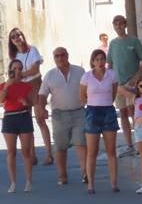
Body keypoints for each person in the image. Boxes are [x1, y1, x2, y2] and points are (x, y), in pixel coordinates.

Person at [37, 48, 87, 185]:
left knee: (81, 142)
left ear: (67, 56)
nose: (59, 58)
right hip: (59, 115)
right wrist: (41, 109)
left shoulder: (80, 71)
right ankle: (62, 174)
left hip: (79, 112)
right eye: (56, 56)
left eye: (62, 55)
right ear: (54, 58)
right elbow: (42, 94)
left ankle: (85, 173)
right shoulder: (50, 75)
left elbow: (87, 88)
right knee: (60, 146)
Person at [8, 28, 51, 165]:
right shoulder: (14, 56)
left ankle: (49, 154)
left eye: (18, 35)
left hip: (35, 85)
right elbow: (13, 75)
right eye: (13, 37)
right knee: (27, 122)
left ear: (22, 36)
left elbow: (35, 70)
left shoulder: (33, 50)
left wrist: (20, 74)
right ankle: (31, 156)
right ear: (11, 41)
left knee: (40, 119)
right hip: (21, 88)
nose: (16, 38)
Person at [107, 15, 142, 157]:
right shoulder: (112, 44)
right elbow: (110, 64)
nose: (118, 26)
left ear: (125, 25)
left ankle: (139, 143)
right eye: (116, 24)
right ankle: (129, 144)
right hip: (118, 85)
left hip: (132, 83)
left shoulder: (134, 41)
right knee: (123, 113)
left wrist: (137, 77)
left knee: (134, 113)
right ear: (113, 26)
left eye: (121, 23)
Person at [80, 49, 119, 194]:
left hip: (108, 111)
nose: (100, 62)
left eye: (102, 59)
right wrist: (91, 106)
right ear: (92, 62)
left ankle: (114, 183)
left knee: (111, 150)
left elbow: (114, 93)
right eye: (97, 59)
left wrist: (107, 103)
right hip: (92, 111)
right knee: (92, 151)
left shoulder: (112, 75)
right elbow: (82, 96)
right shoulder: (86, 77)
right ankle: (91, 184)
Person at [1, 59, 36, 192]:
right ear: (9, 70)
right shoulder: (4, 85)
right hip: (9, 117)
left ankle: (28, 181)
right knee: (11, 152)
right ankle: (13, 182)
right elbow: (1, 100)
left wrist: (26, 102)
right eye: (14, 69)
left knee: (26, 150)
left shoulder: (27, 86)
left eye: (19, 69)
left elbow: (33, 102)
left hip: (23, 116)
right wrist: (6, 87)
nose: (16, 71)